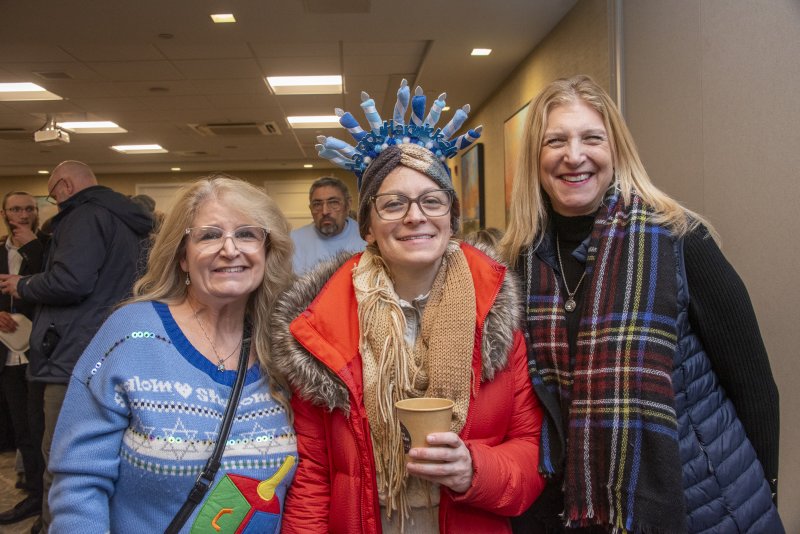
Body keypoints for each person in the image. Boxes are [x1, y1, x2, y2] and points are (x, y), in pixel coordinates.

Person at [500, 75, 782, 533]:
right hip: (580, 510)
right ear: (537, 158)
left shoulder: (678, 239)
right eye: (556, 141)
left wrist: (764, 487)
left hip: (708, 504)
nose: (574, 155)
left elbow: (754, 385)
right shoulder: (519, 264)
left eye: (592, 138)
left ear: (617, 151)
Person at [271, 81, 545, 533]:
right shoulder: (322, 329)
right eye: (394, 203)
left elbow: (530, 451)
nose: (415, 216)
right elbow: (314, 476)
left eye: (431, 201)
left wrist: (473, 469)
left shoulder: (494, 316)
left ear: (451, 219)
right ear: (368, 227)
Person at [46, 175, 297, 532]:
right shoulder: (131, 334)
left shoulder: (287, 344)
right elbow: (79, 482)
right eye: (209, 235)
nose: (230, 249)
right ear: (182, 255)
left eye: (246, 234)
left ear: (267, 250)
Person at [0, 160, 155, 532]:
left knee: (62, 456)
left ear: (66, 186)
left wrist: (22, 285)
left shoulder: (83, 217)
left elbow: (72, 282)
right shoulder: (127, 216)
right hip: (116, 344)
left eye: (52, 196)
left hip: (73, 351)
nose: (54, 204)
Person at [0, 192, 47, 526]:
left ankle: (47, 496)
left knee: (40, 425)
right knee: (21, 427)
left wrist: (32, 245)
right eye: (16, 208)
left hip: (41, 350)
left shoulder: (47, 247)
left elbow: (58, 286)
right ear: (4, 213)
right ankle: (32, 493)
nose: (23, 214)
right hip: (6, 350)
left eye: (29, 208)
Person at [290, 176, 366, 275]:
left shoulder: (365, 238)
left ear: (348, 205)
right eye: (317, 204)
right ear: (310, 209)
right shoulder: (294, 241)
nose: (325, 211)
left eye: (333, 203)